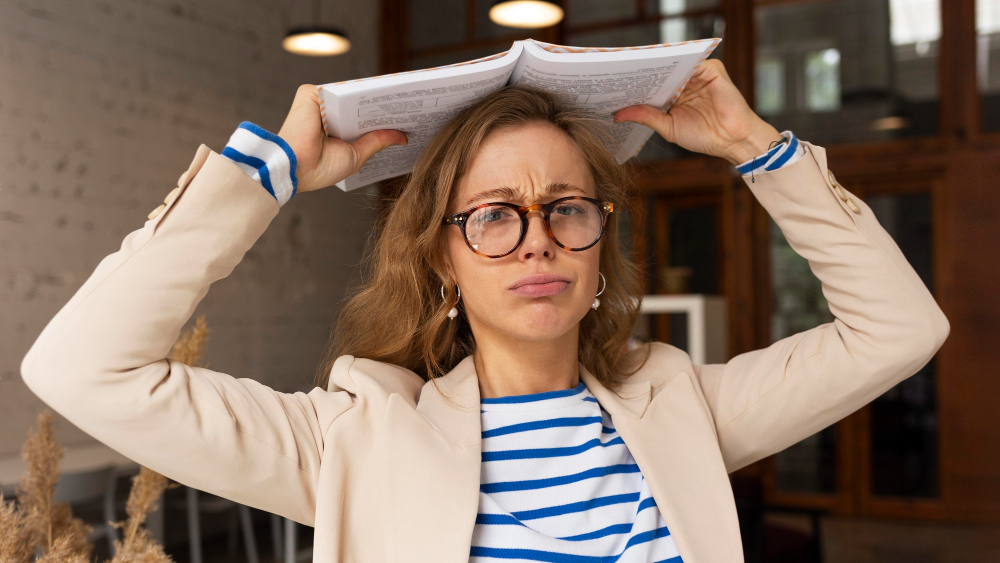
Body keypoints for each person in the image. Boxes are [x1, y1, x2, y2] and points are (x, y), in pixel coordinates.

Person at [21, 59, 949, 563]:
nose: (537, 240)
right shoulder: (355, 438)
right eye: (495, 215)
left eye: (566, 208)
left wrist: (757, 146)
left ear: (599, 248)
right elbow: (79, 369)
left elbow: (899, 329)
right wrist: (263, 179)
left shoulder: (684, 408)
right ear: (442, 259)